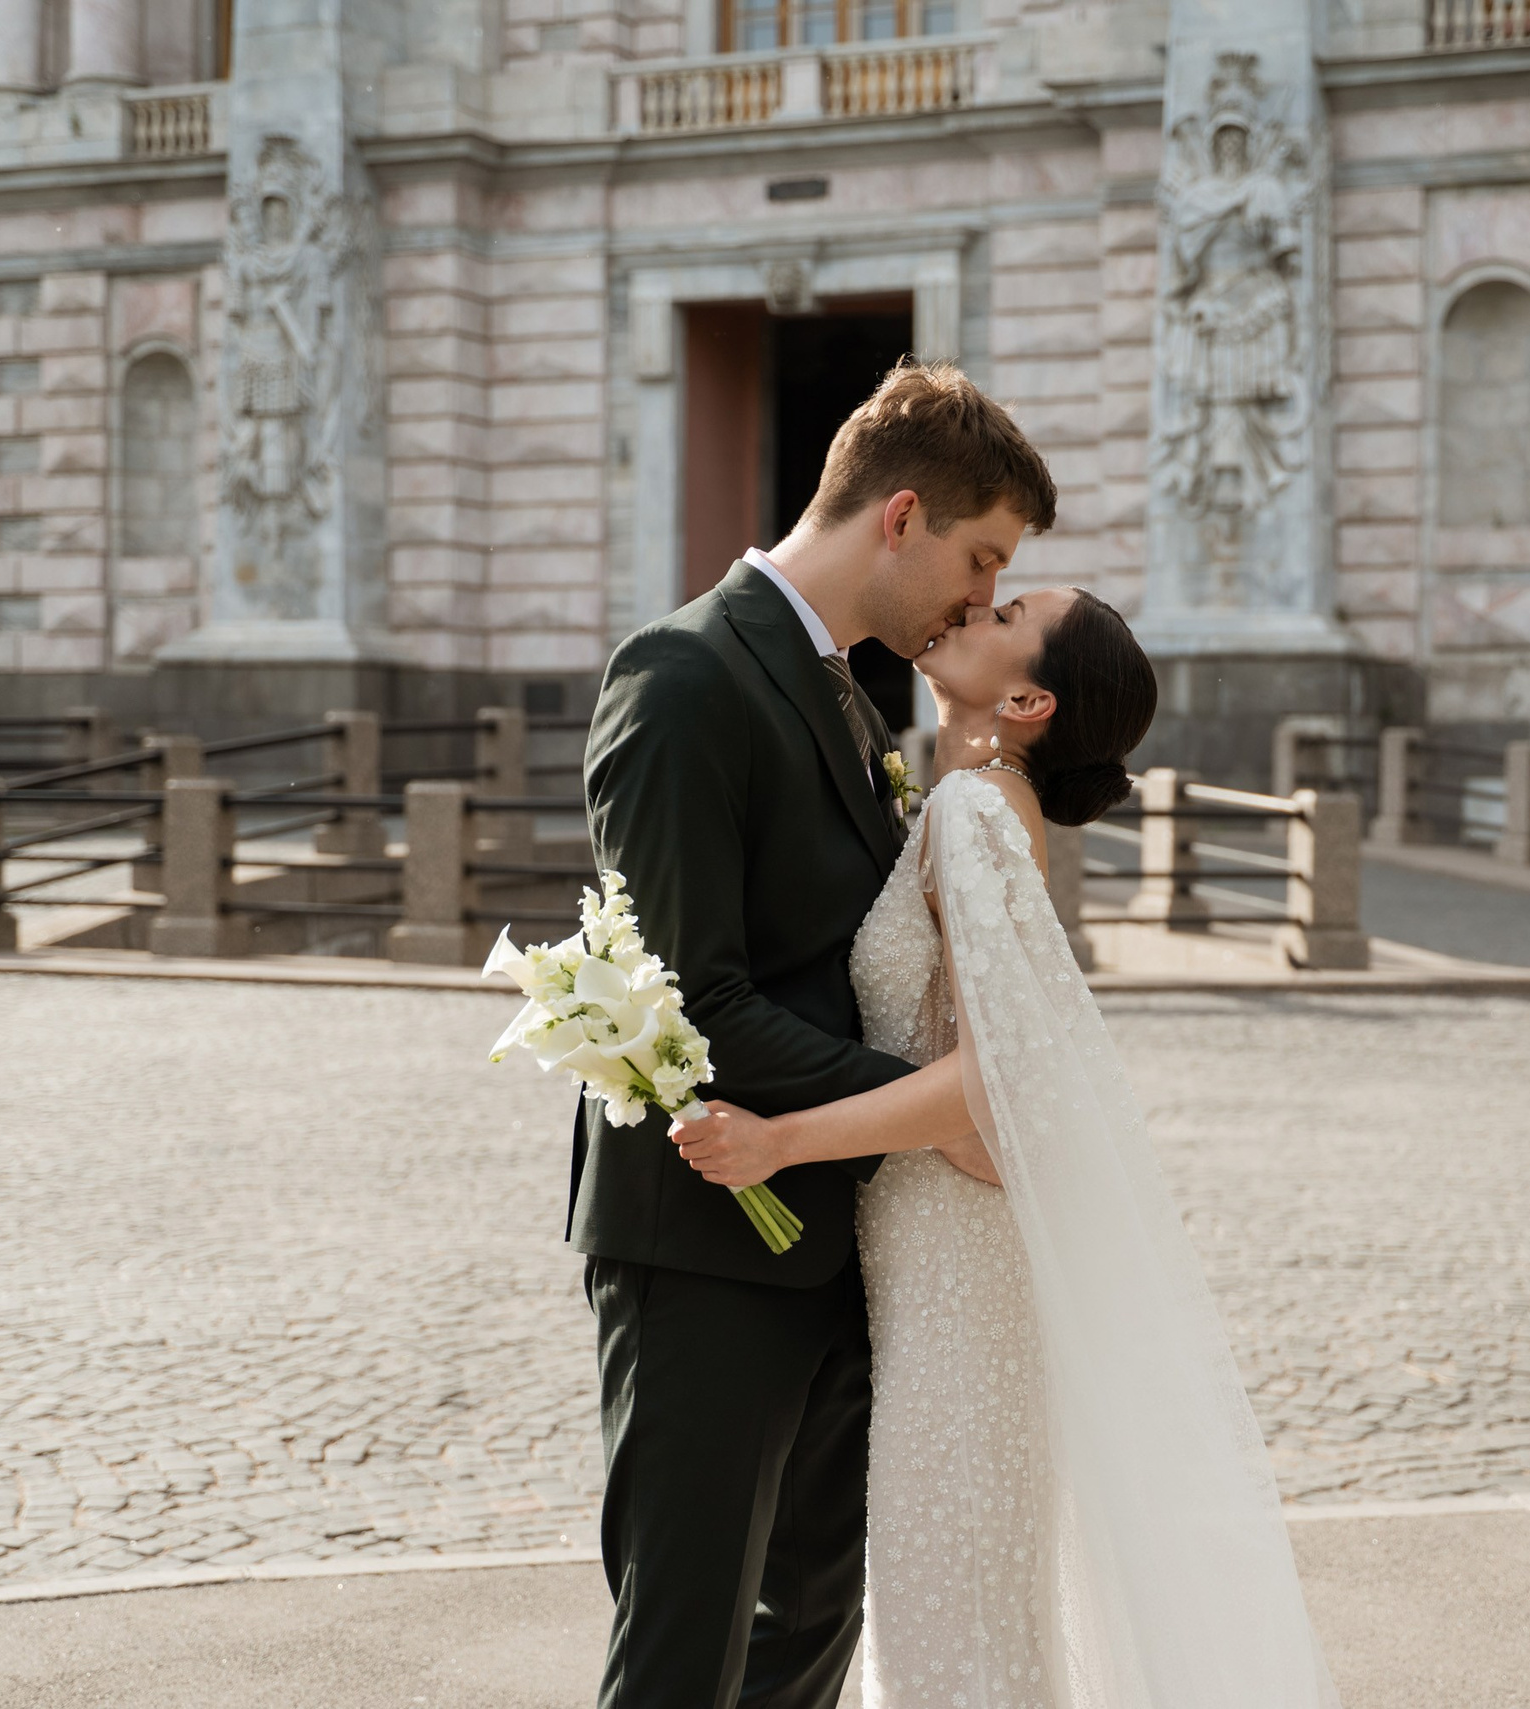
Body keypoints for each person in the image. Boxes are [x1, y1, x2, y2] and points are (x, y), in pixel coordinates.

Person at [670, 593, 1341, 1703]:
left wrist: (779, 1138)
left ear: (1028, 698)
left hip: (958, 1271)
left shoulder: (978, 809)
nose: (976, 602)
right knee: (964, 1599)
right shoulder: (976, 801)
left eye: (1010, 608)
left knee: (950, 1606)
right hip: (940, 1254)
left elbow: (998, 1075)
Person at [576, 360, 1055, 1709]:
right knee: (684, 1656)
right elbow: (697, 999)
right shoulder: (682, 677)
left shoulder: (852, 700)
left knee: (810, 1640)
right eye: (979, 556)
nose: (979, 596)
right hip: (705, 1249)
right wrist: (934, 1108)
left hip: (834, 1250)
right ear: (899, 515)